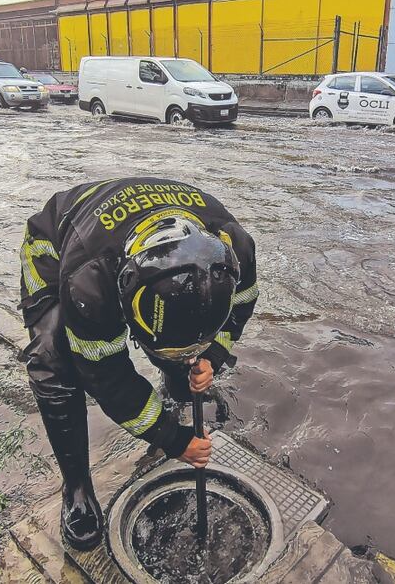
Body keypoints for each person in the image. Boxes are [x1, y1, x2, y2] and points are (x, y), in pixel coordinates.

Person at [19, 177, 258, 550]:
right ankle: (77, 487)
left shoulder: (232, 246)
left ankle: (178, 383)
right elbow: (106, 377)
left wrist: (211, 356)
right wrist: (172, 439)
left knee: (185, 353)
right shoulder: (89, 282)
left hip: (124, 242)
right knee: (54, 362)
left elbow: (240, 306)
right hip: (57, 253)